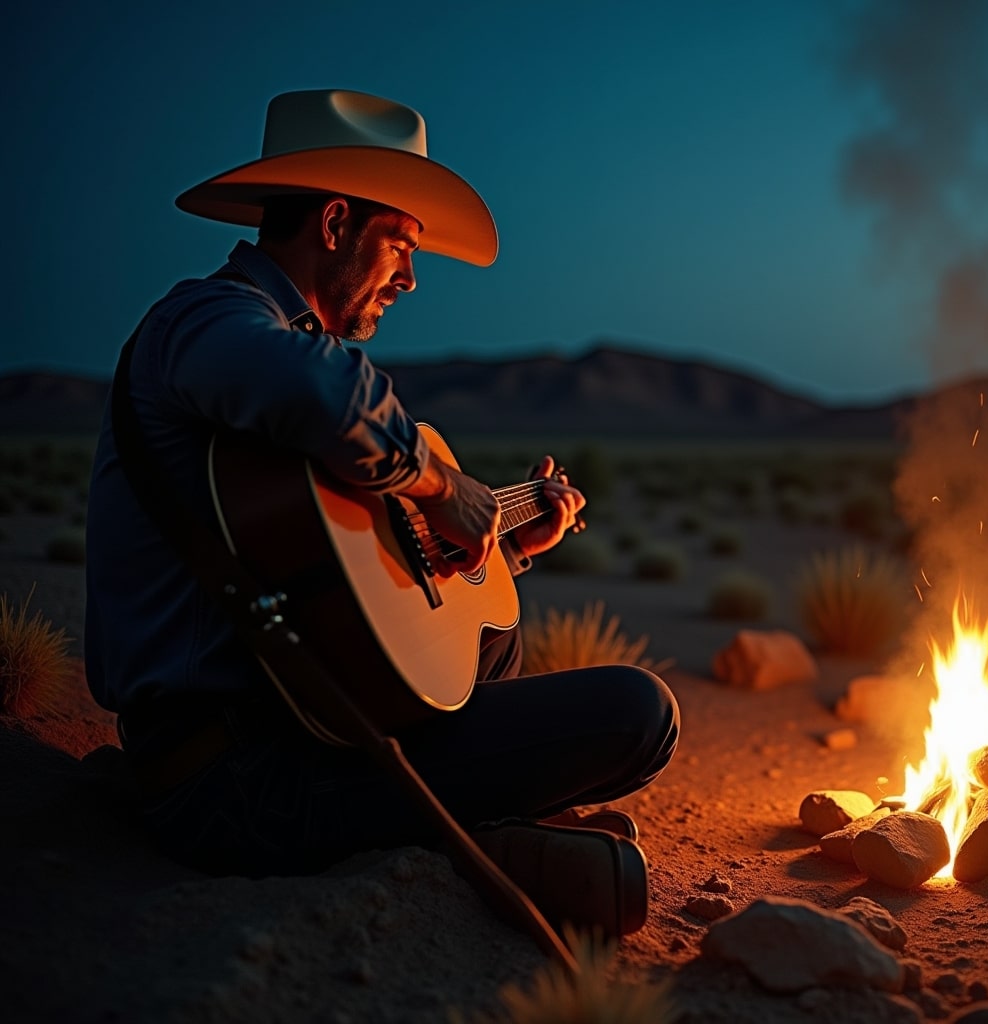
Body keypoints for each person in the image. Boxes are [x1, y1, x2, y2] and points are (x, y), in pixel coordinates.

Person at [85, 89, 677, 937]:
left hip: (302, 736)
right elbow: (318, 392)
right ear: (333, 225)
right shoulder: (207, 319)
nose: (410, 275)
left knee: (495, 639)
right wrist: (442, 486)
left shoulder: (282, 357)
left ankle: (481, 837)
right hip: (231, 782)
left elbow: (345, 586)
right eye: (400, 242)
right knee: (640, 715)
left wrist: (499, 539)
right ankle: (481, 844)